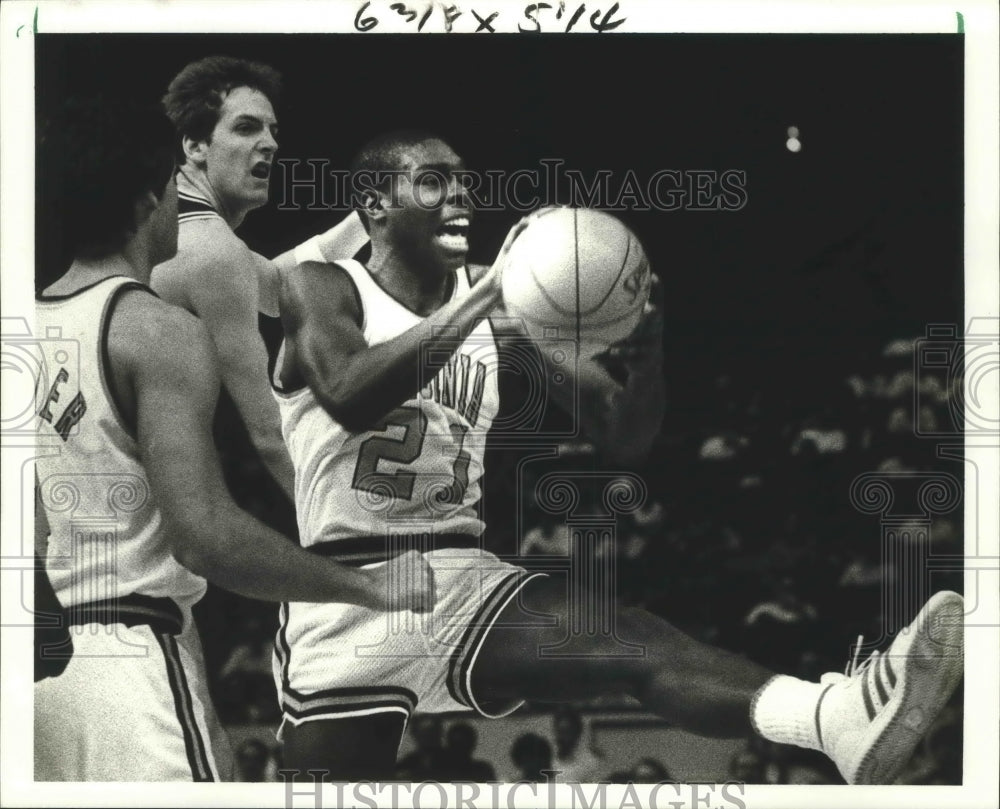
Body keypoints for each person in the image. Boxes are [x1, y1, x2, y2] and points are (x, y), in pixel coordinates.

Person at [271, 130, 965, 786]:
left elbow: (622, 437)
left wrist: (649, 351)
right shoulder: (323, 285)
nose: (459, 196)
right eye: (431, 182)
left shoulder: (505, 306)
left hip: (457, 575)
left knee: (628, 640)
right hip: (344, 586)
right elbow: (348, 394)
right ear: (374, 206)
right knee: (323, 789)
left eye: (463, 183)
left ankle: (831, 716)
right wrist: (487, 292)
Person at [32, 99, 432, 782]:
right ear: (147, 202)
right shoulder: (155, 330)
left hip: (48, 674)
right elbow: (206, 534)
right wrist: (367, 585)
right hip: (135, 657)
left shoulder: (26, 327)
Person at [153, 56, 369, 503]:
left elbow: (273, 286)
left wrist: (370, 216)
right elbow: (271, 431)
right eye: (247, 128)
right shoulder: (212, 250)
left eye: (273, 131)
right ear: (195, 146)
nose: (269, 143)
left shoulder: (187, 229)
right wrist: (345, 535)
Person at [551, 707, 606, 783]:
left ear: (577, 732)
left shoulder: (591, 762)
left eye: (567, 732)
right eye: (560, 732)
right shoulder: (551, 760)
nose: (563, 737)